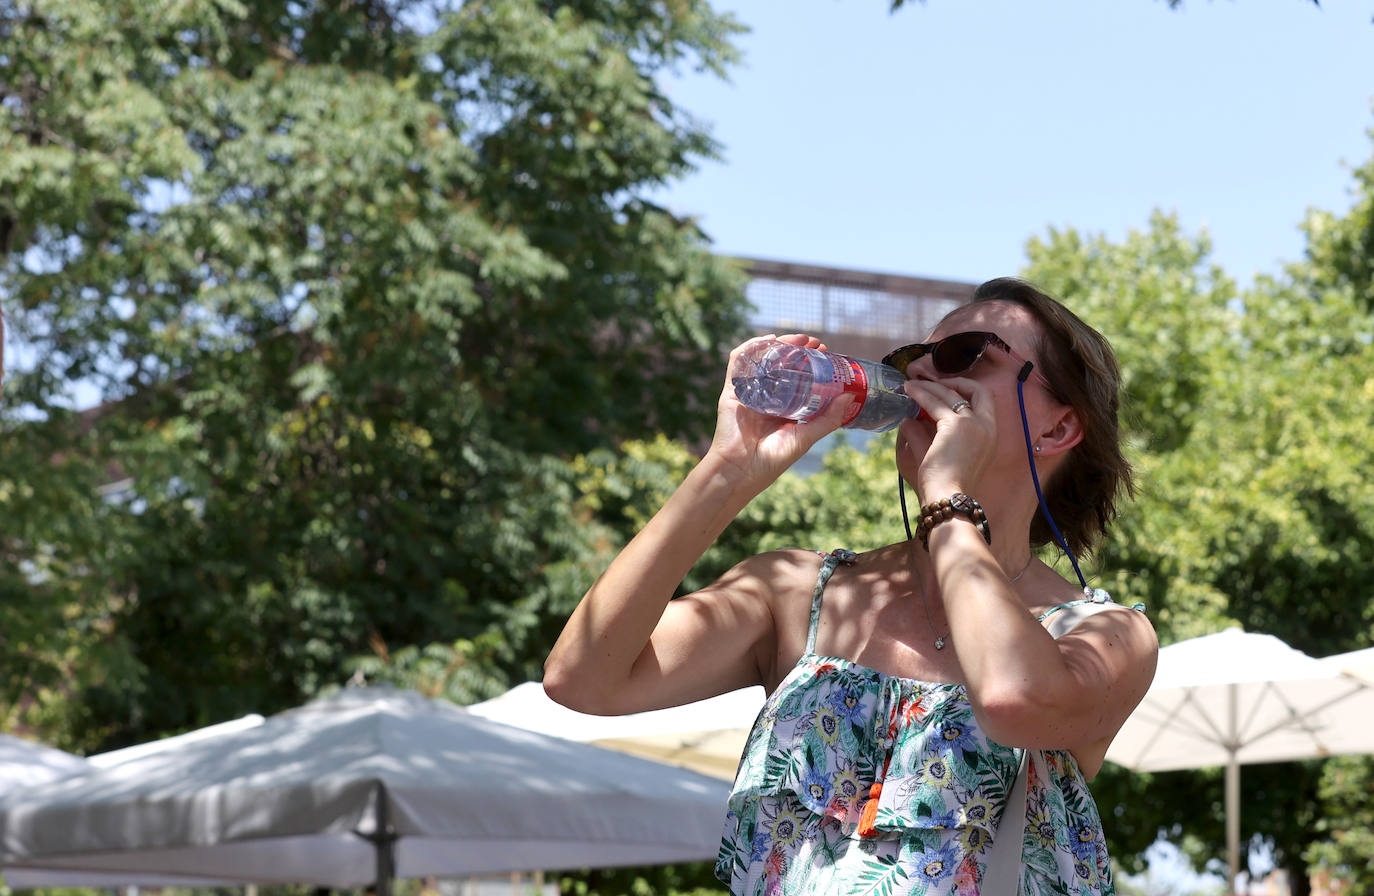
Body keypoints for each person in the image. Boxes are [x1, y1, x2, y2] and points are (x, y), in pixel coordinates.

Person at [544, 277, 1159, 895]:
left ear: (1056, 430)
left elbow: (1011, 697)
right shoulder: (795, 592)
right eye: (911, 356)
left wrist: (947, 495)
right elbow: (583, 680)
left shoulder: (1106, 636)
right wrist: (728, 470)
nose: (921, 369)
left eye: (967, 354)